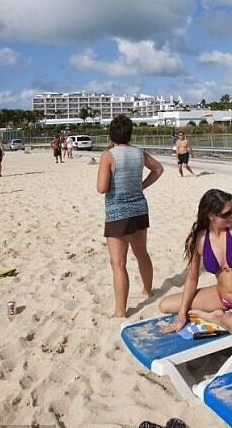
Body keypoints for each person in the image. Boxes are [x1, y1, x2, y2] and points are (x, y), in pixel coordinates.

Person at [159, 189, 232, 336]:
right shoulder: (198, 240)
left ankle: (216, 318)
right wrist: (182, 315)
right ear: (211, 216)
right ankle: (222, 315)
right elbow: (192, 277)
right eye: (226, 214)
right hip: (221, 297)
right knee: (164, 305)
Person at [96, 114, 163, 318]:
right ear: (130, 133)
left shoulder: (108, 155)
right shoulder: (138, 153)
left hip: (118, 212)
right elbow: (158, 169)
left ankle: (120, 312)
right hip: (139, 208)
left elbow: (101, 188)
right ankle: (148, 290)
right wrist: (141, 185)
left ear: (111, 134)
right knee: (141, 252)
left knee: (118, 263)